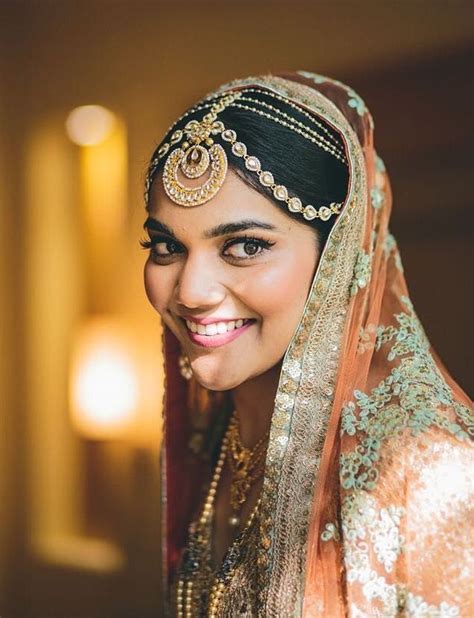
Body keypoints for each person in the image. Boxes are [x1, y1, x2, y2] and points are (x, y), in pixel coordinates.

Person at [141, 72, 473, 617]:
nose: (191, 292)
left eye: (246, 245)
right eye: (165, 246)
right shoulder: (219, 433)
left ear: (337, 257)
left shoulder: (433, 475)